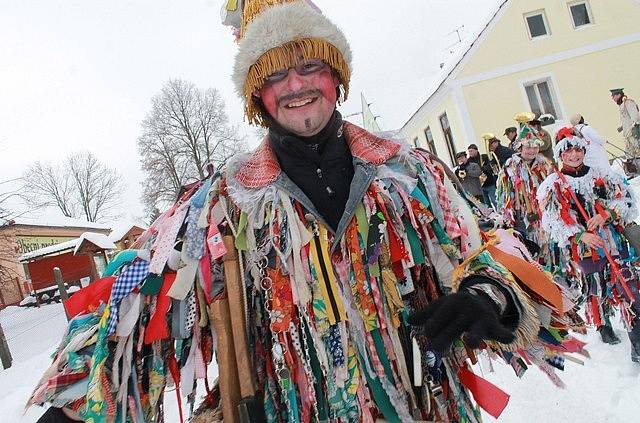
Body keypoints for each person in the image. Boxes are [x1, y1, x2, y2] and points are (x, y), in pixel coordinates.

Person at [28, 2, 582, 421]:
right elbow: (134, 304)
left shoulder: (408, 175)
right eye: (273, 74)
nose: (295, 86)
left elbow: (493, 246)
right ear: (256, 96)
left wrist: (490, 296)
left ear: (337, 76)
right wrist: (75, 404)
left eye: (310, 65)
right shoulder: (222, 203)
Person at [538, 128, 640, 361]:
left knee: (627, 285)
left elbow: (626, 200)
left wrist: (606, 215)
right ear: (560, 154)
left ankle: (637, 344)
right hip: (585, 248)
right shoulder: (553, 185)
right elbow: (552, 221)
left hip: (613, 241)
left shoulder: (601, 174)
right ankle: (603, 323)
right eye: (568, 151)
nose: (574, 155)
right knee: (596, 286)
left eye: (577, 149)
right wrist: (579, 235)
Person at [496, 113, 553, 254]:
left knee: (550, 248)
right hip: (523, 216)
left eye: (535, 147)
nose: (532, 150)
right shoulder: (510, 166)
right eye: (528, 147)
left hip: (546, 214)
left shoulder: (544, 164)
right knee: (531, 247)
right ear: (520, 148)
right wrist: (508, 216)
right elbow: (505, 195)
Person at [612, 88, 640, 161]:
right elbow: (627, 119)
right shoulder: (622, 105)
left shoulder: (628, 102)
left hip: (633, 134)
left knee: (637, 152)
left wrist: (634, 128)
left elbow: (636, 118)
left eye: (613, 95)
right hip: (627, 135)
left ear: (619, 95)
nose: (612, 98)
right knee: (629, 154)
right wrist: (622, 127)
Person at [469, 143, 497, 208]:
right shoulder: (469, 161)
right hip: (479, 186)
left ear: (476, 150)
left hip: (489, 183)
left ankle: (501, 215)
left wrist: (482, 168)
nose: (470, 153)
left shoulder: (484, 157)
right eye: (469, 151)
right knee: (486, 204)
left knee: (494, 200)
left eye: (471, 151)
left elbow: (491, 165)